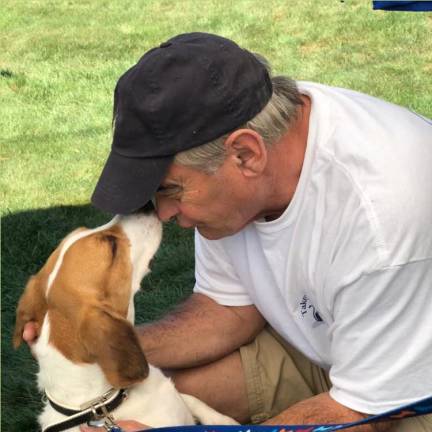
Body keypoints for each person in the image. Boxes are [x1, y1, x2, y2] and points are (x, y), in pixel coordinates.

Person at [26, 33, 432, 432]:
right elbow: (227, 311)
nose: (164, 212)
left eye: (170, 190)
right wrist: (97, 346)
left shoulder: (382, 216)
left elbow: (357, 414)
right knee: (145, 400)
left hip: (408, 394)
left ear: (246, 153)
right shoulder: (239, 142)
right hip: (329, 344)